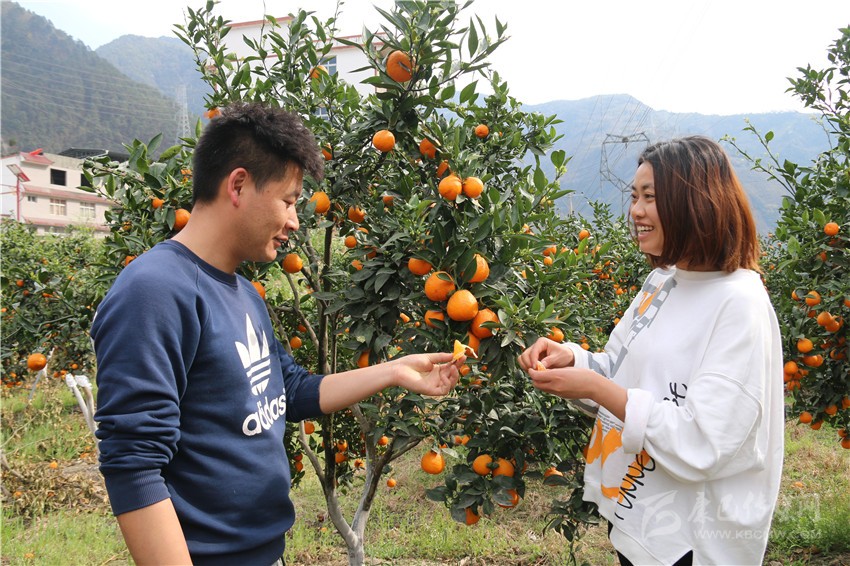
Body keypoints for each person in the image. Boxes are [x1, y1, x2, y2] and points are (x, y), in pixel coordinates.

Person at [92, 102, 463, 566]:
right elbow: (134, 463)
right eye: (288, 201)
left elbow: (291, 390)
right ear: (238, 185)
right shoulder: (155, 290)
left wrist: (395, 371)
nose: (295, 221)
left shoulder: (243, 293)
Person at [519, 136, 784, 565]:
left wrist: (596, 388)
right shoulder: (662, 281)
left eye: (650, 197)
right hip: (635, 509)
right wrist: (573, 359)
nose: (636, 211)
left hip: (686, 537)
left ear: (696, 203)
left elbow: (705, 441)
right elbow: (620, 368)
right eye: (634, 197)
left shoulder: (739, 303)